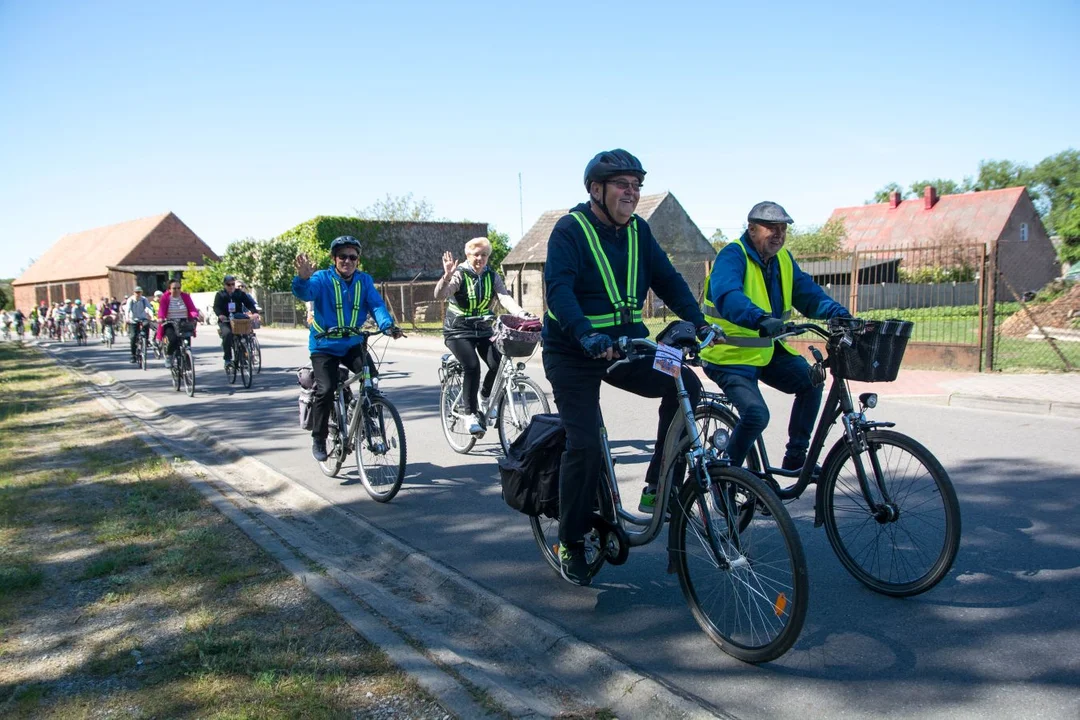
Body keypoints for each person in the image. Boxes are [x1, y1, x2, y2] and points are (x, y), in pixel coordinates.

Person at [543, 149, 713, 586]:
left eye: (637, 185)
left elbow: (670, 280)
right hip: (573, 351)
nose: (632, 193)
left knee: (685, 384)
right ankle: (571, 539)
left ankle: (659, 482)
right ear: (596, 190)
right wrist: (586, 335)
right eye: (623, 185)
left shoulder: (639, 231)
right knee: (583, 445)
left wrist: (698, 321)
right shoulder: (570, 230)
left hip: (629, 345)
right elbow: (559, 292)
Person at [700, 201, 851, 473]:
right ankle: (727, 476)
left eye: (783, 228)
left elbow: (809, 294)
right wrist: (759, 319)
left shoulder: (783, 259)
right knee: (756, 415)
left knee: (811, 381)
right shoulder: (732, 256)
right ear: (752, 229)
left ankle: (796, 457)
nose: (779, 234)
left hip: (766, 350)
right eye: (771, 228)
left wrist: (839, 314)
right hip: (728, 354)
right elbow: (728, 296)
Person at [292, 235, 402, 462]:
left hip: (352, 343)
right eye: (342, 256)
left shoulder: (364, 281)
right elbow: (305, 292)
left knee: (371, 376)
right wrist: (302, 279)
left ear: (357, 261)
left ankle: (366, 414)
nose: (348, 261)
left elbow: (376, 305)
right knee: (326, 388)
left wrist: (388, 326)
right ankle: (319, 437)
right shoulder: (322, 278)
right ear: (334, 259)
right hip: (324, 345)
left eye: (352, 257)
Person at [434, 237, 527, 435]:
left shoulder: (491, 275)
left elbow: (504, 297)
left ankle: (484, 397)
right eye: (476, 254)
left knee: (497, 363)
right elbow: (441, 295)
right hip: (458, 330)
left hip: (484, 328)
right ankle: (470, 414)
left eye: (484, 255)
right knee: (472, 366)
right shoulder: (460, 274)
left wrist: (521, 314)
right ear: (468, 255)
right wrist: (447, 276)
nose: (480, 258)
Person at [214, 275, 259, 370]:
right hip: (225, 320)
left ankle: (244, 357)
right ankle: (227, 359)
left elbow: (249, 304)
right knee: (227, 334)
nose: (231, 286)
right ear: (224, 285)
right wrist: (220, 315)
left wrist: (254, 312)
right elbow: (216, 307)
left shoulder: (239, 294)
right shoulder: (220, 295)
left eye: (232, 284)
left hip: (237, 319)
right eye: (228, 284)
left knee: (244, 334)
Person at [155, 278, 201, 363]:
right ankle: (170, 355)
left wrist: (195, 316)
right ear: (169, 289)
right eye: (174, 288)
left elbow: (192, 309)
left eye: (179, 288)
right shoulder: (165, 298)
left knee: (186, 341)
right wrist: (161, 318)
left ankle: (187, 361)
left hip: (183, 322)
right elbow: (162, 310)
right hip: (170, 322)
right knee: (173, 339)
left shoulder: (185, 297)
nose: (177, 290)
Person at [125, 287, 155, 362]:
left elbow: (149, 308)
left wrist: (151, 315)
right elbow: (127, 310)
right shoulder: (131, 300)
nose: (138, 294)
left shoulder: (144, 299)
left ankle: (146, 340)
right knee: (133, 336)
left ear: (141, 293)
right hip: (133, 319)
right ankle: (133, 355)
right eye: (136, 292)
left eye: (139, 292)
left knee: (146, 324)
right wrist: (127, 318)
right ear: (134, 293)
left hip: (142, 317)